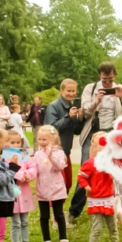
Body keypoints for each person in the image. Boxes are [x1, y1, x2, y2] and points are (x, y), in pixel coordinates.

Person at [69, 62, 122, 225]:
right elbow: (84, 113)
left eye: (110, 80)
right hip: (93, 134)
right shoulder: (90, 89)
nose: (107, 83)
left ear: (115, 76)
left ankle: (121, 211)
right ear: (100, 76)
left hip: (113, 135)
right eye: (105, 79)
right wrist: (95, 102)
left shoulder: (121, 88)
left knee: (118, 173)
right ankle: (73, 213)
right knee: (86, 171)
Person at [78, 132, 120, 242]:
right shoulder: (90, 163)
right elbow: (81, 176)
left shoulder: (112, 162)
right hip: (96, 200)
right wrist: (86, 187)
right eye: (103, 143)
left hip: (108, 198)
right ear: (96, 146)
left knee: (113, 226)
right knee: (96, 227)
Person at [45, 78, 84, 214]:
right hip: (55, 152)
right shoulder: (53, 106)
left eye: (73, 91)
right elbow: (51, 128)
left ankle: (57, 213)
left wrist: (79, 118)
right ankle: (57, 216)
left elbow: (76, 131)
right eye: (69, 91)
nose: (72, 94)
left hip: (65, 153)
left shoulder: (71, 107)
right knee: (58, 187)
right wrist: (68, 116)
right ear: (61, 90)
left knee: (67, 184)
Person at [34, 125, 70, 242]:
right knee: (44, 216)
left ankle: (63, 239)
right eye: (40, 139)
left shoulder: (59, 153)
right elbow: (34, 169)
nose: (42, 142)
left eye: (45, 139)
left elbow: (60, 166)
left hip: (57, 189)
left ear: (52, 140)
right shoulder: (38, 154)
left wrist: (51, 156)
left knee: (59, 215)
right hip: (42, 190)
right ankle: (46, 241)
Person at [5, 130, 39, 242]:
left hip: (24, 192)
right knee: (15, 223)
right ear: (6, 143)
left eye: (18, 142)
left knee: (24, 221)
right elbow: (7, 169)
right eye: (12, 142)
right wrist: (19, 175)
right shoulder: (5, 156)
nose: (16, 145)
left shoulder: (23, 155)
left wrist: (27, 175)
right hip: (13, 193)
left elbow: (33, 167)